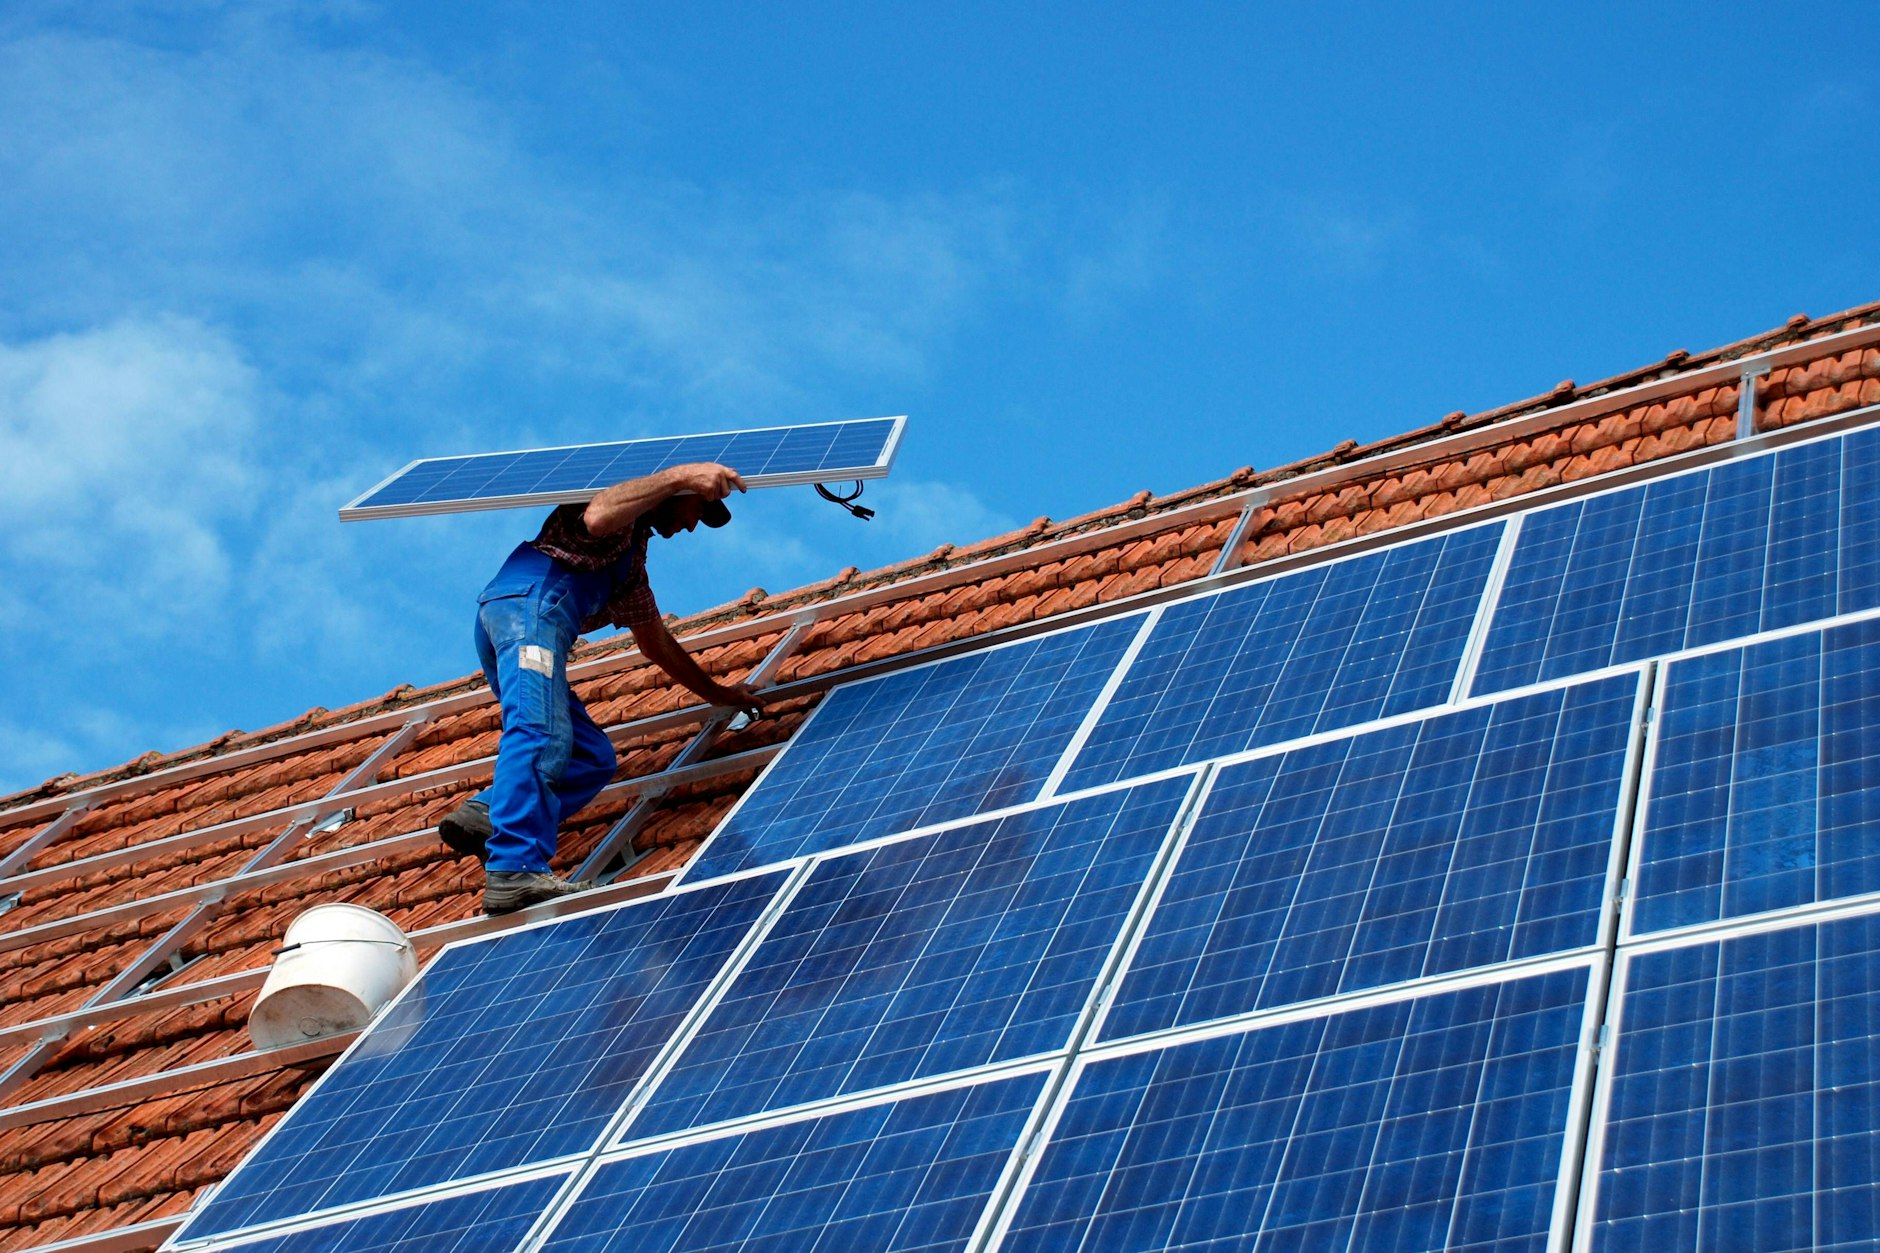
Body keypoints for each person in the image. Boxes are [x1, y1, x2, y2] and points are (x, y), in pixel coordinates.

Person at [437, 462, 765, 915]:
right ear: (677, 490)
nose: (692, 526)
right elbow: (597, 515)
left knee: (592, 758)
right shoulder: (614, 513)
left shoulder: (629, 566)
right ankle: (513, 869)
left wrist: (720, 694)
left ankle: (487, 814)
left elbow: (656, 643)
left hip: (510, 621)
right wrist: (683, 476)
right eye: (697, 509)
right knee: (538, 731)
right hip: (528, 617)